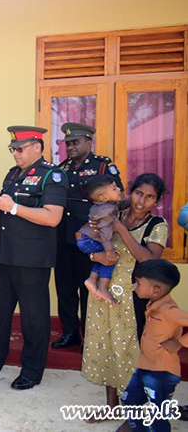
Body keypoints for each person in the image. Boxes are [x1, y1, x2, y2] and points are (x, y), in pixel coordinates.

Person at [0, 126, 67, 390]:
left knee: (34, 317)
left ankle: (32, 370)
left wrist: (13, 206)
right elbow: (6, 215)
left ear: (37, 146)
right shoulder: (13, 175)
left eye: (19, 149)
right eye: (12, 149)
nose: (15, 154)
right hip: (6, 253)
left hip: (32, 259)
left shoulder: (52, 176)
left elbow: (52, 217)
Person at [82, 173, 168, 417]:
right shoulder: (112, 212)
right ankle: (111, 408)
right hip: (102, 294)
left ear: (157, 200)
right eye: (139, 193)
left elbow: (149, 259)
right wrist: (94, 257)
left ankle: (135, 415)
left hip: (131, 300)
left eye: (150, 197)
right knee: (107, 348)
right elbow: (91, 241)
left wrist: (121, 229)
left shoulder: (157, 224)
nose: (142, 201)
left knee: (130, 354)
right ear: (131, 191)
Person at [53, 122, 124, 349]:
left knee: (88, 289)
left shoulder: (103, 167)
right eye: (68, 143)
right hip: (64, 237)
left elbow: (117, 198)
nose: (71, 147)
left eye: (75, 142)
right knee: (64, 288)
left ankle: (90, 337)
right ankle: (70, 332)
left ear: (88, 142)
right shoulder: (62, 169)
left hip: (91, 240)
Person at [117, 259, 185, 432]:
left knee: (157, 415)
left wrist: (180, 343)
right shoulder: (153, 303)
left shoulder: (170, 311)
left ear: (156, 290)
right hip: (145, 366)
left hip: (162, 372)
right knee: (129, 400)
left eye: (139, 283)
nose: (134, 286)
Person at [76, 175, 123, 305]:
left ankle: (92, 279)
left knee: (102, 258)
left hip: (84, 238)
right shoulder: (107, 211)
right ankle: (103, 288)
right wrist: (109, 250)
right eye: (114, 189)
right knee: (109, 259)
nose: (119, 189)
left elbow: (121, 205)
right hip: (90, 239)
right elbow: (105, 230)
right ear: (103, 197)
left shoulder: (104, 205)